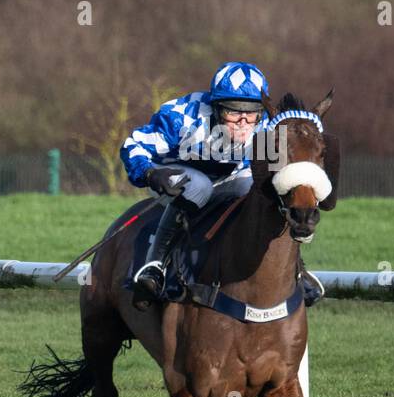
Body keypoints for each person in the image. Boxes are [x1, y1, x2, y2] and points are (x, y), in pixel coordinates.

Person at [120, 61, 315, 308]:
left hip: (227, 178)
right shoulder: (183, 117)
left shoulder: (266, 129)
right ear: (215, 108)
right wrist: (148, 174)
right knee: (199, 186)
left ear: (262, 111)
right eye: (233, 111)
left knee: (258, 188)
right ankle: (155, 265)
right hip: (172, 174)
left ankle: (298, 271)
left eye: (251, 112)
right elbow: (132, 145)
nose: (243, 121)